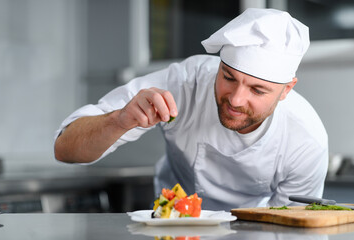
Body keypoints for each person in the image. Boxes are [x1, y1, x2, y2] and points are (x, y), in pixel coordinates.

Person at [54, 8, 328, 211]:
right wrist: (119, 120)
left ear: (286, 90)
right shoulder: (185, 83)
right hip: (172, 218)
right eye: (229, 77)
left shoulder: (305, 141)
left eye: (257, 90)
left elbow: (293, 228)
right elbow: (64, 149)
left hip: (253, 227)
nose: (235, 99)